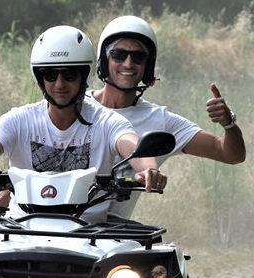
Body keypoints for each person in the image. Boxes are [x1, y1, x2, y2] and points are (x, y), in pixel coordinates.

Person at [0, 25, 166, 223]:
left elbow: (133, 146)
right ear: (40, 77)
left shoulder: (108, 122)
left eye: (69, 74)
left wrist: (148, 170)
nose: (59, 84)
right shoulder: (18, 120)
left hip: (91, 235)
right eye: (50, 74)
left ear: (84, 75)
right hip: (19, 229)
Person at [88, 15, 246, 220]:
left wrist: (228, 123)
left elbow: (229, 154)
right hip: (58, 224)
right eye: (119, 55)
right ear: (104, 59)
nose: (128, 63)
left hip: (114, 235)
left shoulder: (160, 121)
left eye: (138, 57)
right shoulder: (78, 106)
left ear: (148, 66)